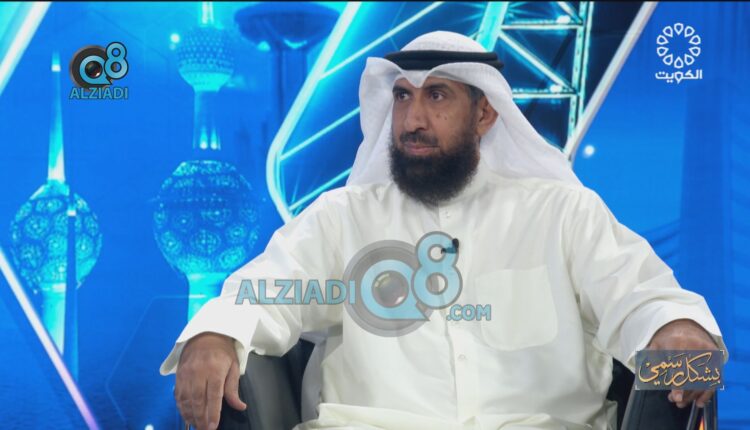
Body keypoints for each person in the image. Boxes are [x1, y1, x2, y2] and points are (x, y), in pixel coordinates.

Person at [160, 31, 727, 430]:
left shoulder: (562, 213)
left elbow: (640, 293)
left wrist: (676, 327)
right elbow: (265, 291)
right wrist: (215, 336)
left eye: (437, 96)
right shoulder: (343, 217)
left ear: (484, 114)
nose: (413, 120)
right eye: (402, 97)